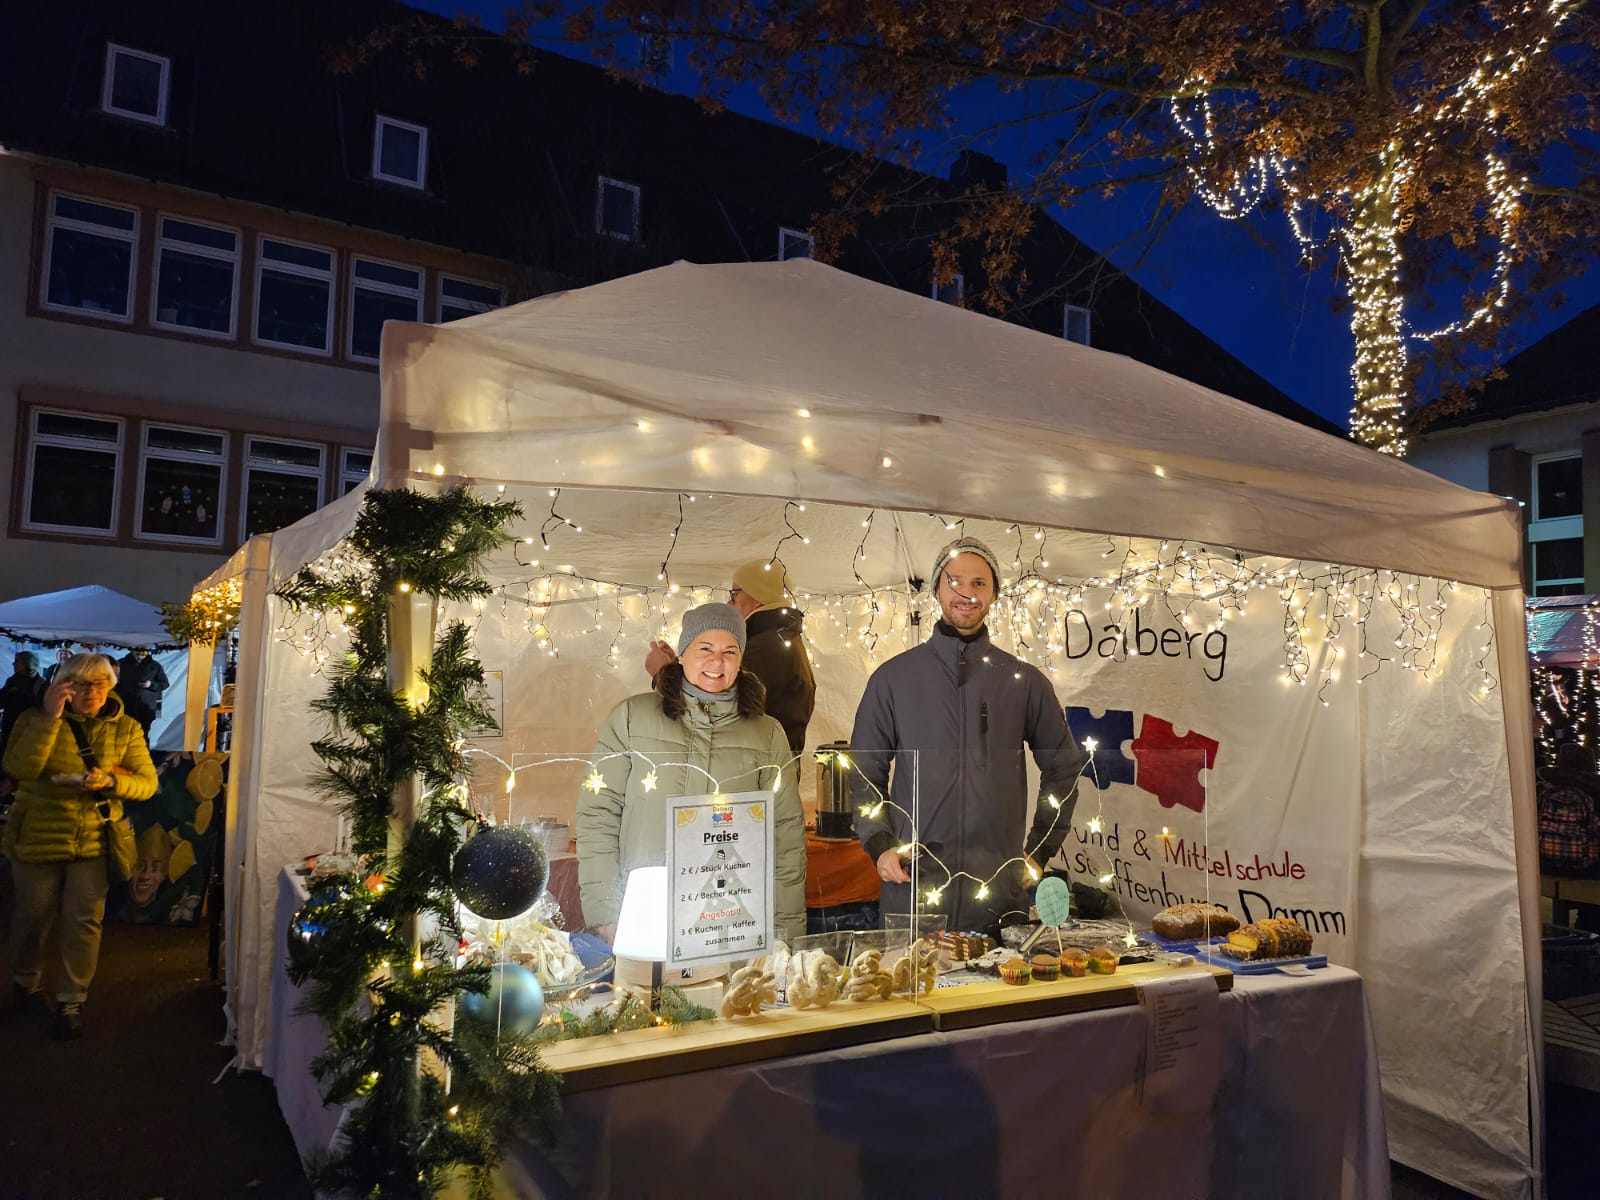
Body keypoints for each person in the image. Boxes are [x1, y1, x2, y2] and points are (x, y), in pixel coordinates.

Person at [850, 536, 1083, 935]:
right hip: (914, 892)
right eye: (954, 581)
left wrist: (1039, 850)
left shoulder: (1023, 681)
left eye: (979, 583)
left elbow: (1064, 768)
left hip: (996, 897)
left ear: (994, 593)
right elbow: (864, 769)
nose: (966, 594)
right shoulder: (893, 679)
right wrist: (880, 844)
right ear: (937, 589)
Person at [580, 603, 806, 945]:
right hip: (646, 917)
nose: (717, 662)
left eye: (729, 651)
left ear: (741, 660)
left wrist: (784, 931)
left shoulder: (767, 733)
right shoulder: (631, 718)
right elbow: (598, 815)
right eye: (705, 649)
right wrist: (606, 912)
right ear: (682, 653)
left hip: (730, 923)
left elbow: (785, 836)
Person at [3, 653, 158, 1038]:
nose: (92, 692)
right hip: (38, 831)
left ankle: (71, 999)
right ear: (64, 686)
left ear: (111, 686)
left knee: (83, 920)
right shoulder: (33, 718)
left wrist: (110, 782)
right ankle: (25, 983)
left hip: (94, 837)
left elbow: (147, 783)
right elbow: (20, 769)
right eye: (82, 684)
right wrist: (50, 718)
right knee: (33, 914)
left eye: (100, 684)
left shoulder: (126, 727)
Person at [646, 561, 816, 757]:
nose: (729, 602)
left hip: (751, 767)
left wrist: (662, 673)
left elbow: (709, 712)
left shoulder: (767, 648)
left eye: (734, 593)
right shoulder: (778, 640)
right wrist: (679, 665)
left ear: (758, 594)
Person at [1, 651, 48, 782]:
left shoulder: (40, 684)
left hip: (30, 727)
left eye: (18, 661)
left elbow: (43, 707)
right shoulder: (12, 680)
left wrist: (21, 695)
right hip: (10, 725)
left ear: (28, 664)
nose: (14, 664)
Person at [114, 647, 170, 745]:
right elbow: (112, 682)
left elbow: (165, 684)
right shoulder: (121, 664)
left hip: (145, 708)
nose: (139, 657)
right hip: (125, 706)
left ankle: (143, 752)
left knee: (143, 734)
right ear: (132, 652)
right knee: (123, 733)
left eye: (142, 654)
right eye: (137, 654)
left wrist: (151, 685)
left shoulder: (154, 665)